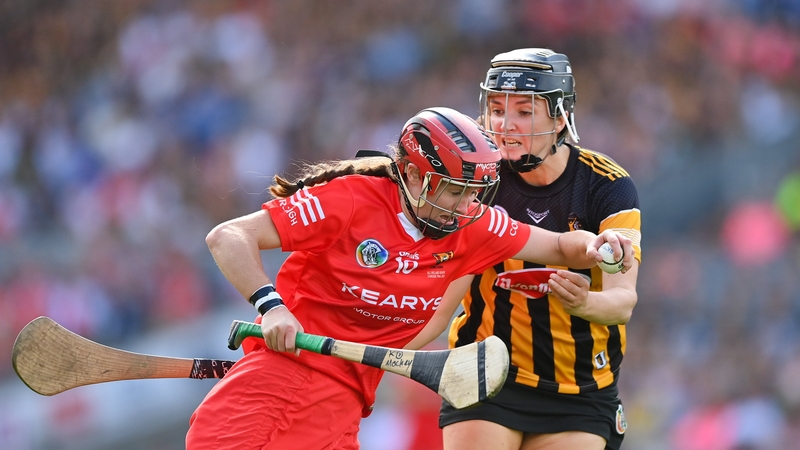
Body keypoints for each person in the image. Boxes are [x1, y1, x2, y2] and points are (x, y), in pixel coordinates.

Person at [185, 106, 634, 450]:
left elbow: (557, 246)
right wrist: (272, 306)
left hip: (346, 405)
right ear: (416, 176)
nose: (465, 206)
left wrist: (596, 246)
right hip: (276, 388)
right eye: (455, 192)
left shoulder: (471, 226)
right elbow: (229, 236)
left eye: (474, 195)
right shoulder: (350, 201)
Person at [429, 49, 642, 450]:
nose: (504, 125)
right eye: (495, 109)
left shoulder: (607, 186)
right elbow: (445, 302)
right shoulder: (476, 180)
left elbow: (622, 301)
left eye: (524, 112)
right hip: (485, 373)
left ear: (560, 117)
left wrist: (584, 304)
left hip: (580, 389)